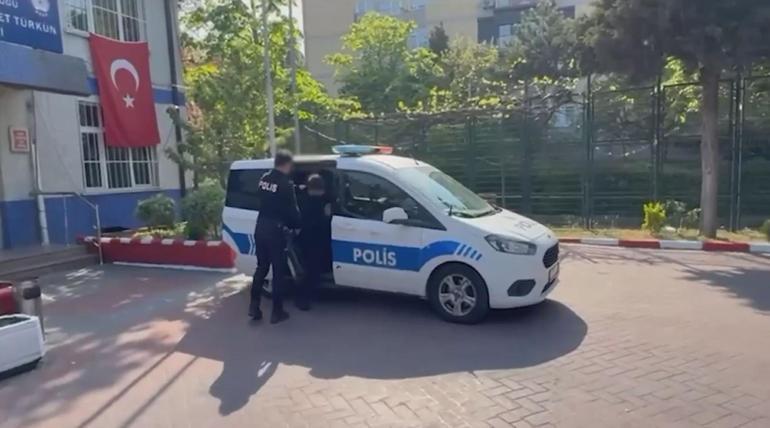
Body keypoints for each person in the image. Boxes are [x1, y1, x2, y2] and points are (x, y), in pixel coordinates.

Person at [249, 150, 301, 324]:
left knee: (262, 267)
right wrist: (297, 226)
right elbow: (292, 210)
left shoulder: (264, 179)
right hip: (276, 231)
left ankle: (254, 307)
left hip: (260, 227)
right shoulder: (286, 183)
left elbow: (262, 199)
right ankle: (277, 312)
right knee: (279, 272)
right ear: (287, 164)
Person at [295, 174, 333, 311]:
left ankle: (308, 295)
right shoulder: (319, 203)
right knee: (312, 270)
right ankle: (302, 299)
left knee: (310, 268)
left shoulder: (301, 199)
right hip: (314, 240)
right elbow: (323, 222)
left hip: (304, 240)